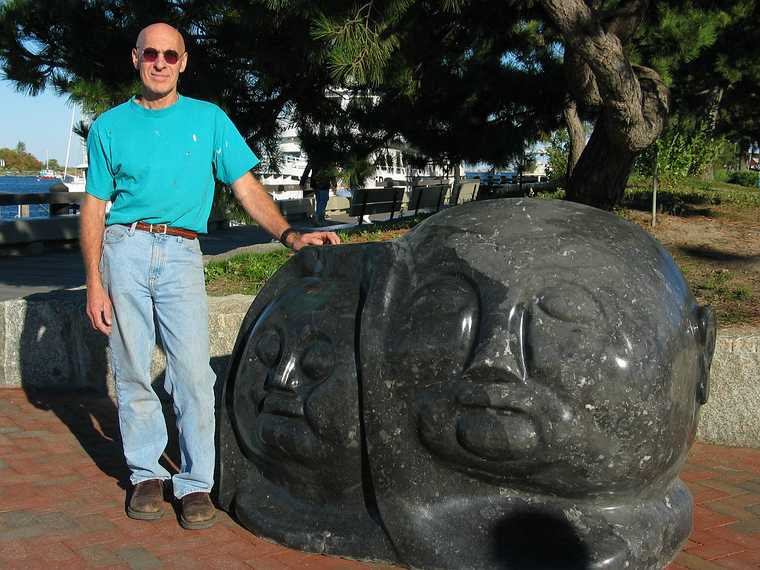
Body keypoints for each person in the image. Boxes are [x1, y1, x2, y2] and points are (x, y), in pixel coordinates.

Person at [80, 22, 340, 530]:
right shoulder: (109, 126)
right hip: (124, 247)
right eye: (150, 54)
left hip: (181, 251)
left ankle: (196, 482)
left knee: (193, 374)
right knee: (132, 370)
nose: (160, 63)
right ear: (135, 59)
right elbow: (92, 206)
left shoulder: (209, 120)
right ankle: (145, 473)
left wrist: (289, 234)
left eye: (170, 55)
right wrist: (94, 281)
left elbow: (245, 187)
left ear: (184, 62)